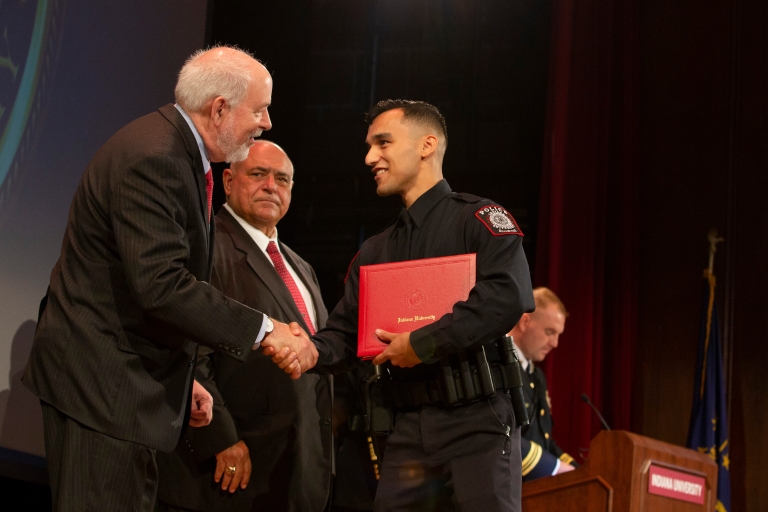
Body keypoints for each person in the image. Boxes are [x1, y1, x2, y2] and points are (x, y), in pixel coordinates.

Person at [22, 46, 316, 511]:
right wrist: (266, 329)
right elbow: (161, 285)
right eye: (260, 109)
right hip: (103, 394)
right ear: (219, 108)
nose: (267, 122)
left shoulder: (175, 152)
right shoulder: (156, 157)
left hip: (122, 393)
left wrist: (183, 381)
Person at [286, 99, 534, 512]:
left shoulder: (481, 219)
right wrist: (309, 349)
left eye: (383, 142)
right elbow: (346, 333)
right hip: (403, 432)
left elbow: (506, 296)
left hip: (478, 424)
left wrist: (421, 344)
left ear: (427, 145)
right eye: (368, 146)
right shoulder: (375, 250)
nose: (370, 157)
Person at [155, 141, 333, 512]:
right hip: (234, 466)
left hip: (299, 468)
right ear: (228, 180)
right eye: (258, 174)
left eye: (282, 179)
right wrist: (219, 438)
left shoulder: (302, 268)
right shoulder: (206, 245)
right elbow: (189, 346)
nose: (271, 185)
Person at [507, 287, 577, 481]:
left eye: (558, 334)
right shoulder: (496, 365)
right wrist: (554, 467)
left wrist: (578, 471)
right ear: (525, 321)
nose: (555, 343)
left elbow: (542, 439)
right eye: (549, 332)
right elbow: (501, 438)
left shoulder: (536, 376)